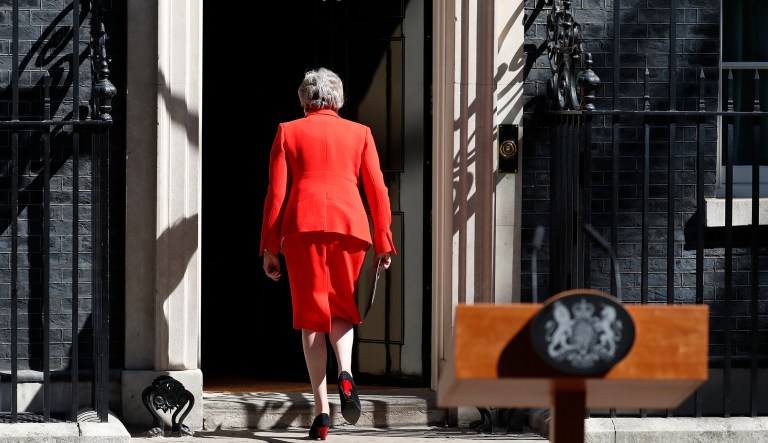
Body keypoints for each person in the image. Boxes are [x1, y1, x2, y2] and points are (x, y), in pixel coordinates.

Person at [260, 67, 396, 441]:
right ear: (338, 100)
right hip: (349, 226)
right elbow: (378, 190)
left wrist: (270, 247)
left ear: (305, 100)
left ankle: (321, 412)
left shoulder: (289, 131)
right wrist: (383, 241)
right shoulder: (360, 133)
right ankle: (347, 373)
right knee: (340, 307)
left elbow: (275, 194)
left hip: (302, 227)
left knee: (311, 317)